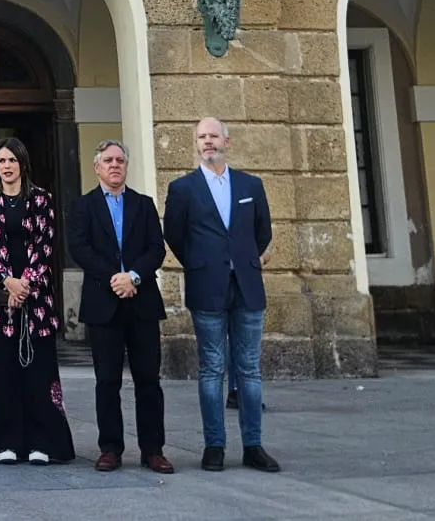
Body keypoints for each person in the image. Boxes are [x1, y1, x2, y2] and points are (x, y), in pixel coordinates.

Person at [163, 118, 281, 474]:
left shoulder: (251, 185)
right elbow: (175, 235)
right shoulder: (182, 188)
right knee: (211, 369)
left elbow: (263, 232)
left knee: (248, 369)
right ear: (195, 144)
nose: (208, 142)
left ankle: (253, 445)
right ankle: (214, 444)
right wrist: (202, 263)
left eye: (213, 136)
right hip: (207, 287)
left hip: (247, 286)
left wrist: (242, 261)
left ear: (226, 141)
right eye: (202, 137)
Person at [68, 140, 172, 475]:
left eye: (120, 160)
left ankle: (153, 450)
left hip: (142, 304)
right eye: (108, 160)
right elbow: (80, 249)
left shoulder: (143, 205)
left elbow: (157, 248)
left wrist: (135, 277)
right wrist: (115, 277)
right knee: (107, 381)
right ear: (97, 167)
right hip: (104, 304)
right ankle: (110, 448)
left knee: (148, 381)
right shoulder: (83, 207)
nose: (115, 165)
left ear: (126, 166)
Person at [0, 138, 74, 465]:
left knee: (38, 373)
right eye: (1, 161)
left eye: (12, 160)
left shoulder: (42, 199)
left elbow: (46, 245)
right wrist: (8, 282)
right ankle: (6, 442)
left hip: (35, 299)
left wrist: (24, 285)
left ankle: (43, 442)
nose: (7, 166)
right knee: (1, 372)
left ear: (22, 164)